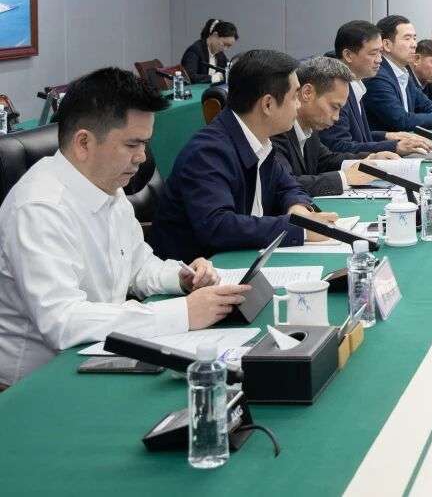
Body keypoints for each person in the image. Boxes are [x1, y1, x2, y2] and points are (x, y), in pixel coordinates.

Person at [0, 68, 249, 388]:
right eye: (133, 144)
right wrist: (184, 312)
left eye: (145, 143)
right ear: (84, 143)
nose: (142, 157)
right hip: (35, 385)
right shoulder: (39, 208)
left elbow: (137, 266)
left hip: (98, 356)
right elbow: (62, 321)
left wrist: (182, 277)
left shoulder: (108, 186)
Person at [150, 50, 339, 262]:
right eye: (294, 96)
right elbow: (219, 226)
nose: (299, 104)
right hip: (198, 272)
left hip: (243, 261)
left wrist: (298, 208)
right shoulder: (208, 152)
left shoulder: (261, 140)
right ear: (267, 104)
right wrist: (298, 229)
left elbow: (288, 186)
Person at [271, 56, 398, 197]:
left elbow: (325, 160)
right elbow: (284, 184)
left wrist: (368, 159)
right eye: (334, 107)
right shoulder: (276, 130)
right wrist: (345, 178)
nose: (336, 117)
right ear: (307, 93)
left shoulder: (309, 127)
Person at [319, 20, 432, 157]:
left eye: (380, 53)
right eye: (373, 53)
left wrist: (387, 135)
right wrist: (394, 146)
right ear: (348, 55)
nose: (379, 59)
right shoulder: (335, 90)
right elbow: (338, 146)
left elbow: (359, 137)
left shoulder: (356, 83)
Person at [363, 15, 432, 133]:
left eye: (414, 38)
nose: (414, 44)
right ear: (387, 45)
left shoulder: (402, 72)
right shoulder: (378, 77)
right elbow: (401, 121)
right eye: (407, 38)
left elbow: (426, 104)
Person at [180, 18, 238, 84]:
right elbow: (189, 77)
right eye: (224, 44)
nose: (225, 49)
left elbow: (225, 72)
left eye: (229, 46)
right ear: (215, 35)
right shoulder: (194, 50)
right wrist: (213, 78)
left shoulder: (220, 55)